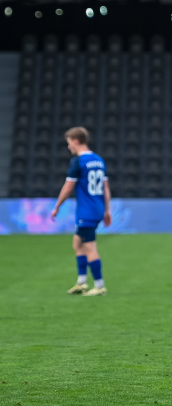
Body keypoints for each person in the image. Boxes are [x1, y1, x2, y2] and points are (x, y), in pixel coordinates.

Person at [51, 126, 112, 296]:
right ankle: (82, 283)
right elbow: (106, 188)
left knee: (89, 247)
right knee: (77, 243)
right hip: (97, 208)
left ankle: (99, 286)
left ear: (76, 141)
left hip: (86, 211)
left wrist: (57, 206)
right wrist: (107, 210)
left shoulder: (78, 162)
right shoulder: (99, 160)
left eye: (69, 142)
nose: (68, 146)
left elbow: (68, 186)